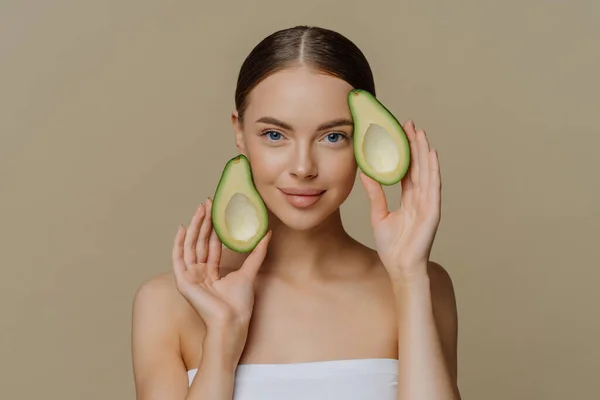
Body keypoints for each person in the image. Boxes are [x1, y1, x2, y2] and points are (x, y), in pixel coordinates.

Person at [131, 25, 460, 400]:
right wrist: (223, 339)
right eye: (275, 135)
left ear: (365, 139)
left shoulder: (422, 285)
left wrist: (409, 279)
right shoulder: (167, 303)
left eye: (333, 136)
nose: (303, 167)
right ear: (239, 131)